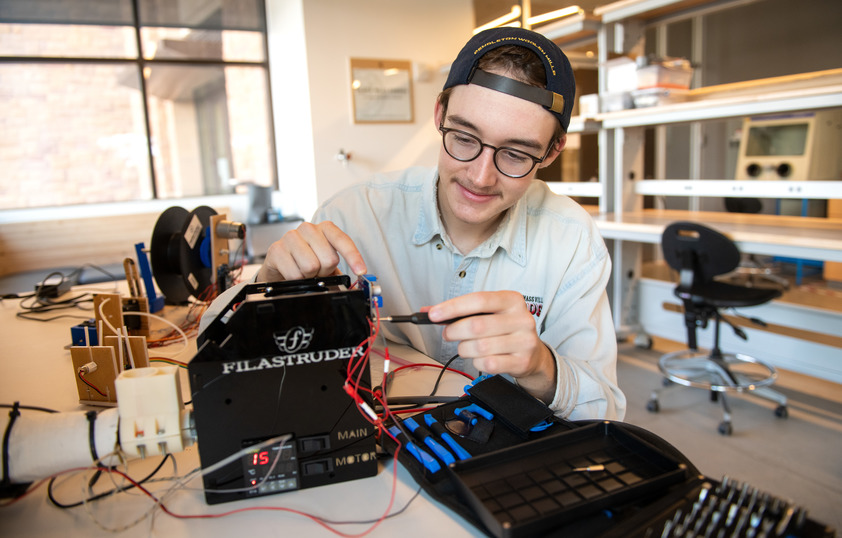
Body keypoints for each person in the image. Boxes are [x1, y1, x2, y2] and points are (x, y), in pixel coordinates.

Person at [204, 27, 626, 421]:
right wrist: (267, 286)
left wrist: (541, 366)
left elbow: (605, 410)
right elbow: (215, 360)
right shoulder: (355, 215)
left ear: (552, 152)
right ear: (440, 113)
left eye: (516, 155)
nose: (479, 177)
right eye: (463, 138)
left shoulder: (572, 240)